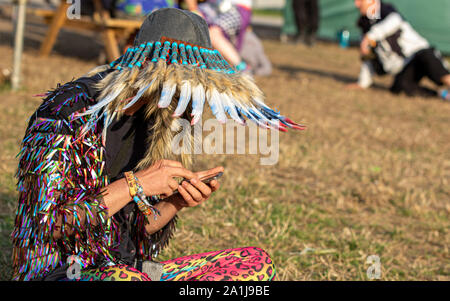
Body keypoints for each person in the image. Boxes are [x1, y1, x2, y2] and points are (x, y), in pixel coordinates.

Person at [11, 8, 302, 281]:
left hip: (127, 269)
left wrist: (176, 201)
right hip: (65, 271)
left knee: (254, 263)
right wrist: (134, 184)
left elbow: (139, 228)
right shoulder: (69, 111)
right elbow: (48, 225)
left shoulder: (165, 115)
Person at [347, 0, 450, 100]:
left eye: (360, 0)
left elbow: (393, 21)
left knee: (428, 59)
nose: (357, 4)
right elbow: (368, 56)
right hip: (405, 66)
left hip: (419, 55)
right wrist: (362, 83)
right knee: (399, 88)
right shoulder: (364, 24)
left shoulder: (385, 11)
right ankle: (444, 95)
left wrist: (370, 36)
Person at [185, 0, 252, 72]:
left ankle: (242, 68)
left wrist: (193, 8)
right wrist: (193, 9)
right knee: (192, 21)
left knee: (213, 35)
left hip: (236, 8)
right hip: (215, 7)